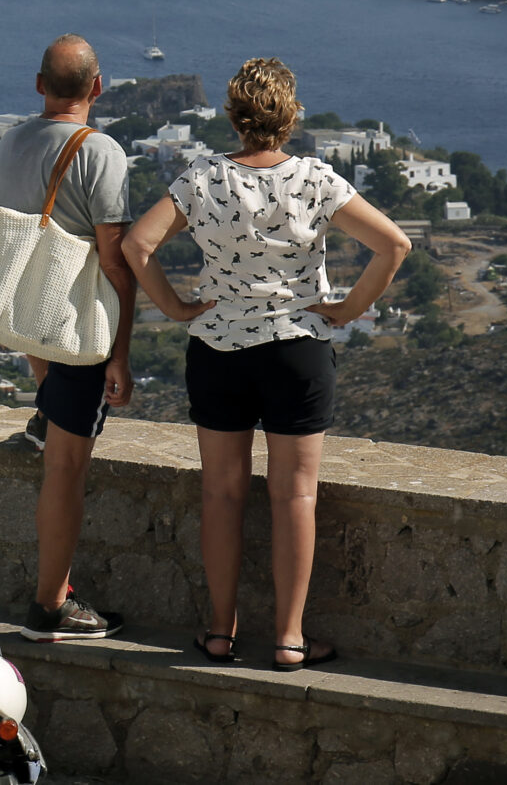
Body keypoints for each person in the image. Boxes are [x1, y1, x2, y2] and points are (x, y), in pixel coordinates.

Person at [122, 56, 410, 671]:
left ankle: (219, 632)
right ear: (291, 116)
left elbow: (137, 243)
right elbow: (394, 244)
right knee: (296, 495)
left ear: (234, 117)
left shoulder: (203, 178)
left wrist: (175, 308)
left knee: (221, 493)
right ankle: (288, 640)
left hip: (218, 350)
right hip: (297, 351)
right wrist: (346, 310)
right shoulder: (315, 179)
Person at [0, 34, 139, 641]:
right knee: (66, 469)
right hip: (79, 333)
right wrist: (121, 354)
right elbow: (115, 262)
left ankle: (45, 410)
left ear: (39, 85)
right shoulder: (100, 152)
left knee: (59, 445)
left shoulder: (11, 143)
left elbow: (31, 257)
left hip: (32, 322)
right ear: (97, 87)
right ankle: (50, 606)